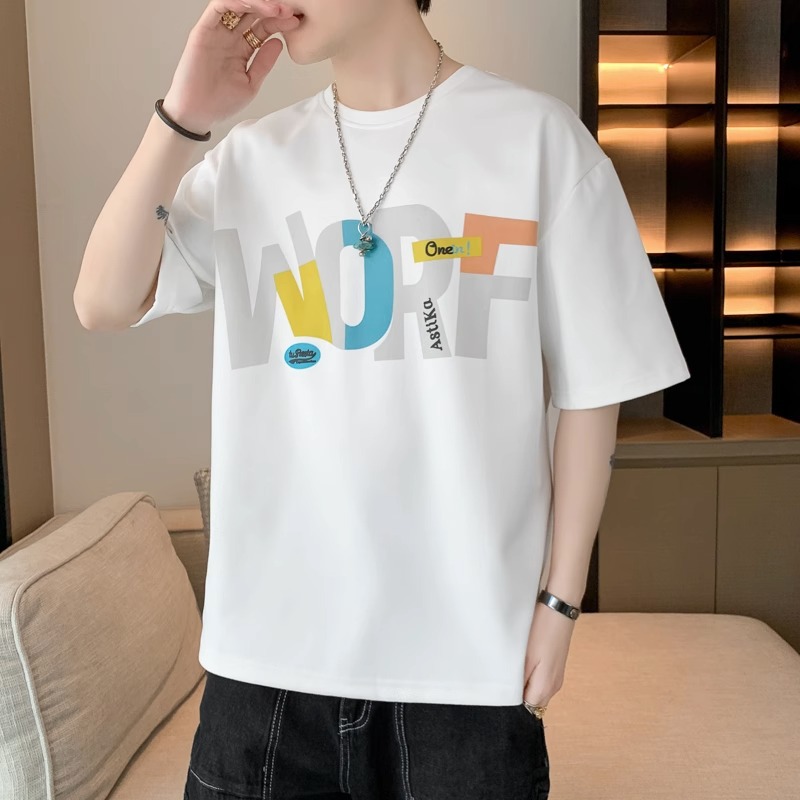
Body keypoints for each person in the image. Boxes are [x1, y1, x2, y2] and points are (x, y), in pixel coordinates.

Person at [74, 0, 691, 797]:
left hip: (466, 670)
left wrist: (560, 604)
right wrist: (183, 117)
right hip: (265, 669)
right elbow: (102, 301)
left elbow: (593, 392)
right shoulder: (251, 159)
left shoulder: (537, 142)